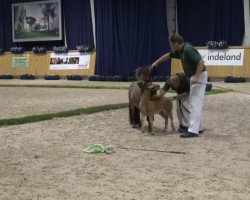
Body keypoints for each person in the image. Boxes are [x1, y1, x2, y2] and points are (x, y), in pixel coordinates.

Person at [151, 34, 208, 138]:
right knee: (194, 103)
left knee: (195, 103)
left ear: (176, 42)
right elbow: (169, 55)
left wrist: (196, 76)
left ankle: (193, 131)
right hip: (194, 75)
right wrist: (157, 62)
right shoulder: (181, 50)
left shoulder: (188, 50)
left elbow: (201, 62)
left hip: (198, 76)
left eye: (172, 44)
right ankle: (198, 128)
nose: (171, 47)